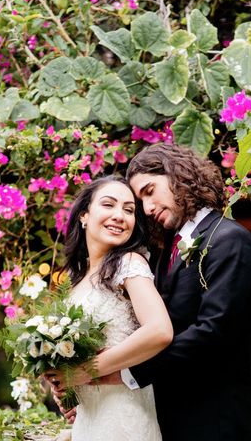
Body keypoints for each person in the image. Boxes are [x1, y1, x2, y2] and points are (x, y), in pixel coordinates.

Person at [121, 144, 251, 440]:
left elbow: (214, 332)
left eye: (149, 190)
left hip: (222, 422)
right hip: (172, 420)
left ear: (177, 174)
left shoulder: (231, 240)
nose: (147, 208)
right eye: (140, 200)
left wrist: (126, 373)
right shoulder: (163, 253)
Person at [44, 175, 173, 441]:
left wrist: (85, 371)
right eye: (109, 205)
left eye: (128, 210)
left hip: (125, 418)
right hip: (89, 421)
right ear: (83, 215)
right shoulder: (75, 279)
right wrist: (64, 385)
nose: (119, 215)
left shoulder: (129, 263)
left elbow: (160, 330)